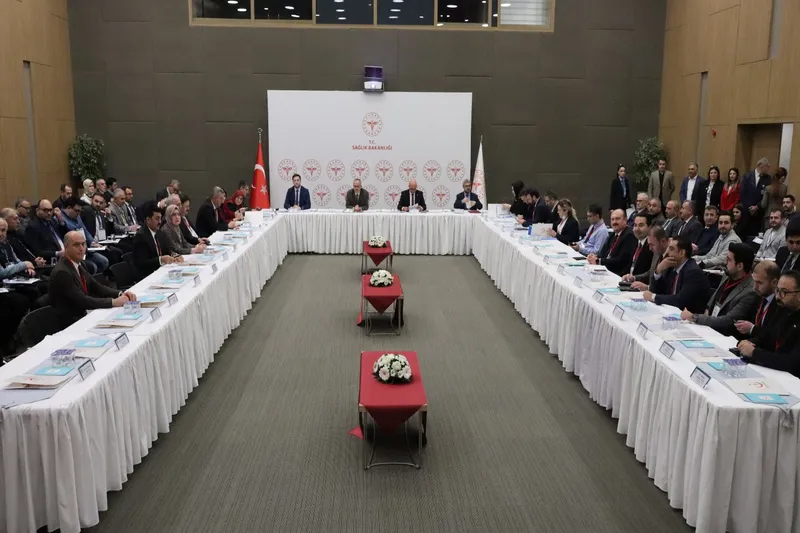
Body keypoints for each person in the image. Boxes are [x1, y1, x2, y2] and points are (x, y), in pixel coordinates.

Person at [48, 230, 135, 328]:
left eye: (83, 244)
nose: (81, 248)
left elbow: (96, 286)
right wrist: (113, 302)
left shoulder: (80, 264)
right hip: (72, 322)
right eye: (76, 245)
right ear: (66, 247)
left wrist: (120, 293)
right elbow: (82, 300)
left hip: (85, 314)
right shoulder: (62, 272)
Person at [736, 270, 800, 377]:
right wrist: (747, 343)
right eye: (777, 291)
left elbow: (792, 363)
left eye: (784, 292)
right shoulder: (782, 310)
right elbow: (766, 337)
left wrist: (755, 353)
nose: (778, 297)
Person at [681, 243, 758, 331]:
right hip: (709, 326)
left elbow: (728, 321)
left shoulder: (750, 291)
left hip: (725, 334)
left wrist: (694, 317)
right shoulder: (727, 275)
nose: (725, 262)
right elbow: (712, 302)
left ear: (740, 266)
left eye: (729, 260)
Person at [642, 235, 710, 313]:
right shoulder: (671, 266)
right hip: (670, 311)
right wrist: (658, 270)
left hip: (688, 316)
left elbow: (680, 301)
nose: (667, 252)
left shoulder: (693, 272)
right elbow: (655, 291)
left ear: (681, 253)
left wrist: (653, 297)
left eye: (671, 249)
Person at [132, 202, 180, 280]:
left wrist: (175, 256)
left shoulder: (160, 233)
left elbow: (167, 251)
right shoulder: (141, 237)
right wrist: (160, 260)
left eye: (160, 218)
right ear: (148, 220)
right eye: (157, 219)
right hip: (147, 276)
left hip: (162, 272)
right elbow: (141, 263)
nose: (160, 222)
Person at [733, 260, 781, 338]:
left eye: (759, 283)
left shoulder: (780, 305)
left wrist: (752, 329)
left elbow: (773, 337)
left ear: (774, 283)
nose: (755, 287)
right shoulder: (757, 296)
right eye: (754, 281)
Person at [61, 197, 109, 273]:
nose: (78, 213)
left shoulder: (77, 216)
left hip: (86, 250)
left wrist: (92, 242)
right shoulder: (61, 219)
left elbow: (84, 230)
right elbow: (72, 231)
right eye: (77, 211)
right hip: (74, 252)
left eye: (80, 211)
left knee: (104, 261)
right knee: (93, 266)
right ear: (69, 208)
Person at [587, 209, 637, 275]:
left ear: (625, 219)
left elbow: (621, 261)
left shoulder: (629, 235)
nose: (614, 222)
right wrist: (594, 256)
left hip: (617, 273)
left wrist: (598, 261)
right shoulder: (613, 234)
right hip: (605, 270)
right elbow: (603, 253)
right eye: (612, 219)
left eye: (617, 219)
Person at [23, 199, 67, 265]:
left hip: (65, 255)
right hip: (51, 261)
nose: (49, 213)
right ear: (37, 210)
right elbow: (37, 252)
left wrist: (61, 220)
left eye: (51, 210)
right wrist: (57, 253)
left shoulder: (52, 221)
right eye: (45, 210)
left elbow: (65, 235)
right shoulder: (33, 227)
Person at [741, 157, 771, 237]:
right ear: (761, 166)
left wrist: (757, 207)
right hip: (747, 210)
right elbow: (743, 193)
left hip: (759, 211)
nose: (768, 169)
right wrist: (749, 207)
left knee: (755, 234)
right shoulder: (747, 176)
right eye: (767, 167)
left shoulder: (768, 179)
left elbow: (766, 196)